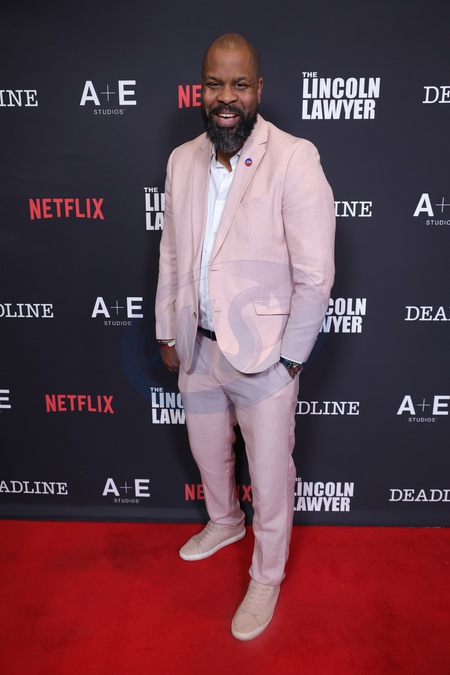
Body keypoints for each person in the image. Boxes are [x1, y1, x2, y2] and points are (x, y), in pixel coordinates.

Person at [155, 33, 335, 641]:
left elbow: (315, 275)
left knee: (271, 474)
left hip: (265, 358)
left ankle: (267, 573)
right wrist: (167, 328)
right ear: (199, 90)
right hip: (198, 346)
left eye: (238, 85)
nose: (225, 97)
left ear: (258, 90)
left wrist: (290, 361)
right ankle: (225, 521)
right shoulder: (182, 160)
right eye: (214, 84)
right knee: (209, 455)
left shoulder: (294, 158)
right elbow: (172, 252)